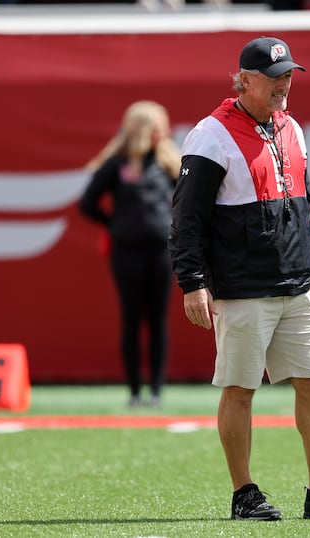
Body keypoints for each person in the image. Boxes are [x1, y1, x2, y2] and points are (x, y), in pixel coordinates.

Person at [168, 36, 310, 521]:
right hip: (242, 286)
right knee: (240, 388)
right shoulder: (210, 135)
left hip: (296, 282)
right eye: (274, 75)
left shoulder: (292, 128)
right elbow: (186, 217)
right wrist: (192, 281)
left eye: (288, 75)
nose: (284, 84)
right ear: (244, 80)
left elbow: (304, 206)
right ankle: (244, 493)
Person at [79, 100, 180, 408]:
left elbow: (190, 199)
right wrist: (115, 225)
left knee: (158, 320)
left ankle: (157, 391)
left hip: (161, 251)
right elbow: (87, 203)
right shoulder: (117, 164)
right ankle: (135, 391)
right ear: (142, 129)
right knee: (132, 319)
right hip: (126, 253)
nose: (163, 132)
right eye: (157, 126)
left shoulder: (168, 163)